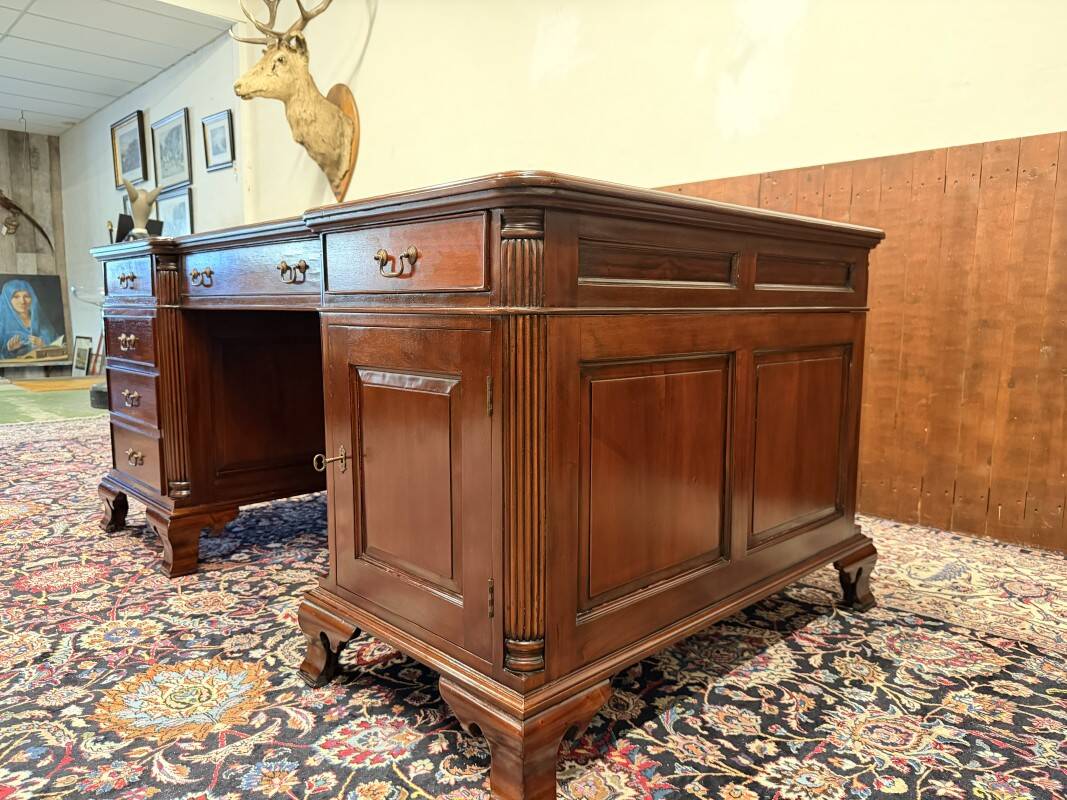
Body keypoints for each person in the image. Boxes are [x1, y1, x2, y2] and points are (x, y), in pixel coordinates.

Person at [1, 279, 58, 359]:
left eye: (26, 296)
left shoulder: (41, 321)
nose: (22, 301)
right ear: (7, 300)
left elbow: (58, 345)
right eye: (16, 296)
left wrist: (44, 345)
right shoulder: (2, 325)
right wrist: (10, 350)